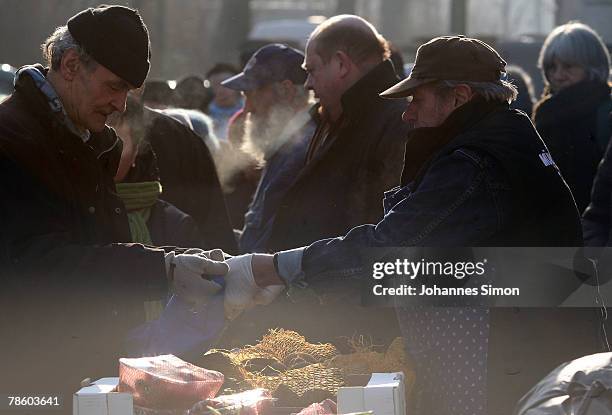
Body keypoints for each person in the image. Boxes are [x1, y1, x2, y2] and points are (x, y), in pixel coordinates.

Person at [220, 36, 591, 415]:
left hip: (515, 359)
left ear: (459, 97)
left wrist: (272, 268)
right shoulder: (505, 134)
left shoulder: (474, 161)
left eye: (418, 99)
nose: (408, 114)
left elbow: (389, 248)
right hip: (536, 349)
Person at [0, 5, 227, 399]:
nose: (121, 104)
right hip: (29, 381)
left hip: (81, 372)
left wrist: (179, 260)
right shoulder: (13, 141)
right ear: (71, 65)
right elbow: (37, 262)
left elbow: (98, 245)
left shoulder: (87, 140)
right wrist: (165, 267)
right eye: (114, 86)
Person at [265, 15, 410, 252]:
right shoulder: (335, 116)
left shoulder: (397, 123)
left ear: (341, 64)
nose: (308, 84)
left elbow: (382, 231)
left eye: (311, 70)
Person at [220, 44, 316, 254]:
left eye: (250, 95)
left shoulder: (301, 152)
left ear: (287, 90)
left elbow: (272, 251)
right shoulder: (286, 147)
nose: (247, 110)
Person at [533, 22, 612, 213]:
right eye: (552, 67)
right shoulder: (545, 111)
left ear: (592, 66)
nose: (558, 75)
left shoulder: (606, 111)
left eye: (568, 66)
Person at [206, 62, 244, 140]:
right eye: (216, 85)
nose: (221, 91)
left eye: (227, 84)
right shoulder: (205, 116)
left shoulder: (251, 111)